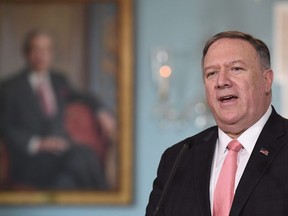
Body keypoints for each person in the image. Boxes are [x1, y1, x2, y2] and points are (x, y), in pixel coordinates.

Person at [146, 31, 288, 215]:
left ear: (266, 80)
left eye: (236, 69)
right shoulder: (177, 159)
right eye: (211, 73)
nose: (221, 81)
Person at [0, 29, 111, 189]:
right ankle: (107, 201)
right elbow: (5, 128)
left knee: (70, 177)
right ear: (27, 53)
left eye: (46, 50)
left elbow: (84, 97)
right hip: (30, 159)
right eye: (36, 49)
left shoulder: (59, 81)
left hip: (61, 155)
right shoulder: (10, 88)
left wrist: (101, 111)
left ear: (51, 54)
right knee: (81, 157)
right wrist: (38, 143)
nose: (41, 55)